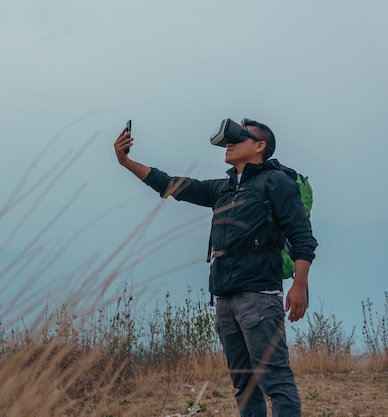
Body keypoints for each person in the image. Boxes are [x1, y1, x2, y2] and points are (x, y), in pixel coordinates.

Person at [113, 118, 318, 417]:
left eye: (239, 139)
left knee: (275, 381)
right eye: (228, 141)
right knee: (243, 385)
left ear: (260, 146)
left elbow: (302, 237)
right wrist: (125, 162)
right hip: (225, 298)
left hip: (260, 296)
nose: (229, 144)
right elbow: (172, 186)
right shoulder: (222, 188)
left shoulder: (275, 182)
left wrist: (299, 286)